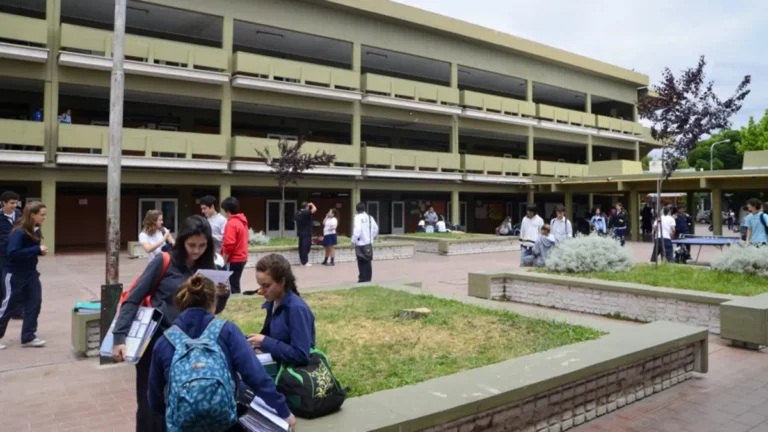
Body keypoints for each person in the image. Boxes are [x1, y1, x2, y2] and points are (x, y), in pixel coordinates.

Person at [112, 215, 229, 432]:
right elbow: (134, 297)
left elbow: (213, 310)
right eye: (192, 244)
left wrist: (222, 294)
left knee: (182, 399)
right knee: (150, 403)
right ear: (182, 240)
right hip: (157, 345)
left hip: (190, 348)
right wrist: (119, 337)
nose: (196, 250)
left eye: (202, 245)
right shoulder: (164, 261)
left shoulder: (208, 267)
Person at [149, 274, 295, 430]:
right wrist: (284, 411)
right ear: (213, 302)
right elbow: (256, 377)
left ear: (181, 304)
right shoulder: (227, 331)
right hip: (224, 423)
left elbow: (154, 398)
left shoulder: (165, 341)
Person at [248, 254, 316, 367]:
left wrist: (265, 342)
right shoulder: (273, 302)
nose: (261, 291)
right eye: (260, 285)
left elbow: (301, 355)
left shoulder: (296, 309)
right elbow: (272, 338)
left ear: (282, 282)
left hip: (292, 376)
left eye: (266, 286)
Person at [0, 201, 48, 351]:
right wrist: (36, 250)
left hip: (30, 273)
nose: (45, 217)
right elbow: (12, 253)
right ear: (33, 215)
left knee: (34, 302)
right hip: (14, 274)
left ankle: (28, 336)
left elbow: (30, 250)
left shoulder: (35, 230)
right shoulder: (19, 232)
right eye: (42, 214)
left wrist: (38, 251)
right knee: (8, 305)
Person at [0, 191, 22, 320]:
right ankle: (5, 309)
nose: (14, 205)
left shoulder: (19, 215)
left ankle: (17, 311)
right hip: (2, 255)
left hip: (17, 255)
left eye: (16, 203)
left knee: (18, 282)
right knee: (3, 283)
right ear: (4, 203)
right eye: (11, 203)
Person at [221, 197, 249, 295]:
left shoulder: (231, 223)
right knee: (235, 283)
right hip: (242, 257)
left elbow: (229, 245)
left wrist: (223, 260)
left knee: (232, 285)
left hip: (234, 259)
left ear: (227, 210)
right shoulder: (242, 221)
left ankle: (235, 300)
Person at [351, 202, 379, 283]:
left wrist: (353, 240)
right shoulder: (370, 217)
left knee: (361, 262)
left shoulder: (357, 217)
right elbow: (376, 229)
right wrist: (371, 237)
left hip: (360, 243)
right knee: (368, 261)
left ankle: (362, 279)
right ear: (364, 209)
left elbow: (357, 230)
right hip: (368, 243)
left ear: (357, 209)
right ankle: (368, 278)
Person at [295, 202, 316, 267]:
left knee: (301, 247)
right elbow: (315, 209)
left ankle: (302, 261)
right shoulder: (306, 212)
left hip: (300, 232)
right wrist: (312, 204)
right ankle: (305, 262)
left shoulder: (297, 213)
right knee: (306, 247)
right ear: (306, 207)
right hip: (306, 233)